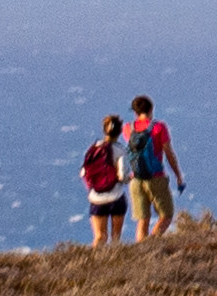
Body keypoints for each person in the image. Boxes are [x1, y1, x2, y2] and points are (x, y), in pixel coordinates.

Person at [124, 95, 185, 237]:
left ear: (135, 112)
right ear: (151, 109)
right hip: (156, 177)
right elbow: (169, 154)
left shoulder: (128, 128)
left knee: (142, 220)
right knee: (166, 215)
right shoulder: (159, 127)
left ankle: (141, 251)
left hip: (135, 179)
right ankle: (152, 242)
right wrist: (178, 176)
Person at [79, 115, 129, 244]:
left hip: (97, 198)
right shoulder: (120, 150)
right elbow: (123, 176)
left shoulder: (94, 149)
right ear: (119, 132)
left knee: (100, 237)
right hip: (116, 197)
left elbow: (84, 172)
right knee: (115, 238)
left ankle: (94, 263)